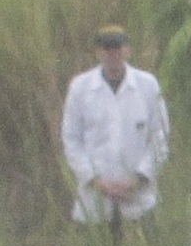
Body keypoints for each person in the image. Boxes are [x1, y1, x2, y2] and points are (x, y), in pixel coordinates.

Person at [62, 24, 173, 232]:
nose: (113, 54)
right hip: (96, 198)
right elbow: (72, 139)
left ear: (128, 50)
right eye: (107, 48)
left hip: (139, 196)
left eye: (118, 47)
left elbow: (160, 136)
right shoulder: (80, 87)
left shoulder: (147, 84)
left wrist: (138, 179)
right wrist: (96, 182)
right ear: (97, 52)